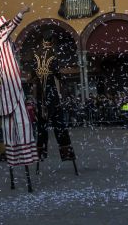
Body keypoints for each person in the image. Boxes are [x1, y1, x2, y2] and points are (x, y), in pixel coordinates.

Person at [0, 6, 38, 168]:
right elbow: (13, 25)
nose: (6, 28)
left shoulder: (4, 41)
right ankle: (21, 155)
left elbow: (11, 52)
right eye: (4, 26)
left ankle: (21, 155)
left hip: (13, 82)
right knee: (20, 121)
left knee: (21, 120)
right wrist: (21, 13)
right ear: (1, 28)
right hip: (10, 82)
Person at [32, 31, 76, 162]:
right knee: (59, 124)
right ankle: (66, 152)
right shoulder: (53, 56)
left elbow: (33, 76)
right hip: (51, 95)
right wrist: (63, 83)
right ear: (51, 43)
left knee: (41, 126)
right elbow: (58, 74)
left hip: (41, 96)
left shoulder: (35, 56)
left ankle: (40, 152)